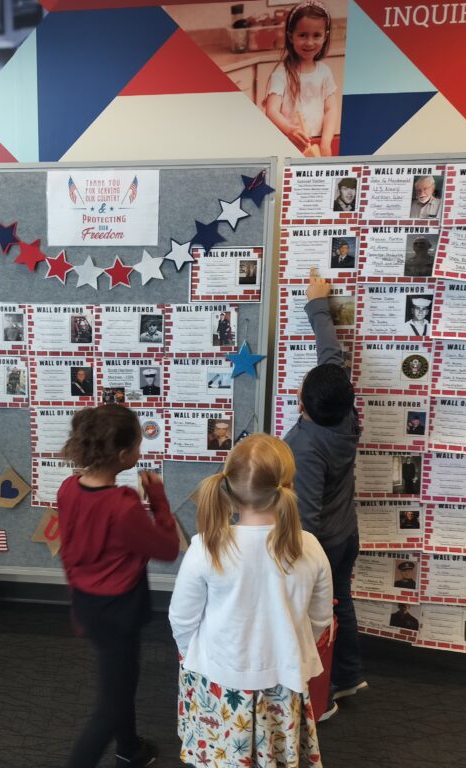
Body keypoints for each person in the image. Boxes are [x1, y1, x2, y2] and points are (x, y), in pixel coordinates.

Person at [170, 432, 330, 767]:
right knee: (277, 756)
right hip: (282, 681)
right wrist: (294, 647)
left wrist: (194, 655)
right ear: (287, 485)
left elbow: (182, 620)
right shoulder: (310, 547)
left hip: (219, 680)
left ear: (228, 486)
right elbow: (319, 619)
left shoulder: (206, 546)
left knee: (220, 756)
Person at [57, 405, 179, 768]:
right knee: (111, 706)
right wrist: (157, 499)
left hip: (88, 602)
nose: (141, 453)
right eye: (139, 445)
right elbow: (168, 549)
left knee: (121, 680)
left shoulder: (68, 489)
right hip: (119, 609)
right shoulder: (121, 506)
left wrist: (79, 606)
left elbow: (73, 551)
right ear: (124, 456)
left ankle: (130, 749)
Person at [283, 268, 363, 717]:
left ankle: (323, 696)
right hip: (346, 532)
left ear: (300, 403)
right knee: (342, 605)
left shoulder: (304, 448)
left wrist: (296, 561)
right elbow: (330, 354)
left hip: (323, 544)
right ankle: (350, 676)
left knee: (318, 619)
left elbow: (306, 517)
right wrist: (319, 303)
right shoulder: (344, 411)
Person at [263, 2, 337, 157]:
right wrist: (290, 131)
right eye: (303, 35)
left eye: (316, 35)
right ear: (291, 36)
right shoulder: (281, 74)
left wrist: (325, 143)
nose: (309, 42)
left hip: (316, 144)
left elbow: (331, 110)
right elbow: (271, 110)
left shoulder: (325, 72)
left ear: (325, 36)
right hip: (288, 145)